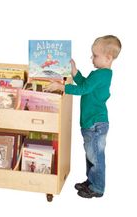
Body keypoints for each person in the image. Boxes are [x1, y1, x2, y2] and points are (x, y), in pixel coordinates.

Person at [44, 35, 122, 198]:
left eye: (95, 55)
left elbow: (83, 90)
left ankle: (97, 187)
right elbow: (85, 84)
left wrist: (62, 87)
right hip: (90, 123)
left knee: (96, 157)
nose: (92, 58)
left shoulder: (102, 74)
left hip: (95, 123)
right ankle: (91, 180)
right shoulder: (99, 74)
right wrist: (75, 71)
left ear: (108, 58)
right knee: (91, 154)